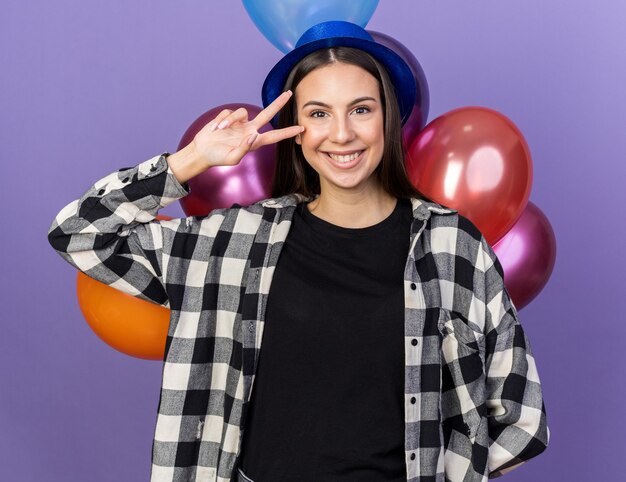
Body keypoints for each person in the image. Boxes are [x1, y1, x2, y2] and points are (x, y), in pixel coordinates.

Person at [48, 20, 548, 482]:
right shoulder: (234, 241)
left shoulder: (451, 244)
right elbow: (81, 233)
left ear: (388, 118)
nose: (342, 133)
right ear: (297, 129)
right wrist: (194, 159)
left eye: (361, 109)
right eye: (318, 114)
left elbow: (520, 417)